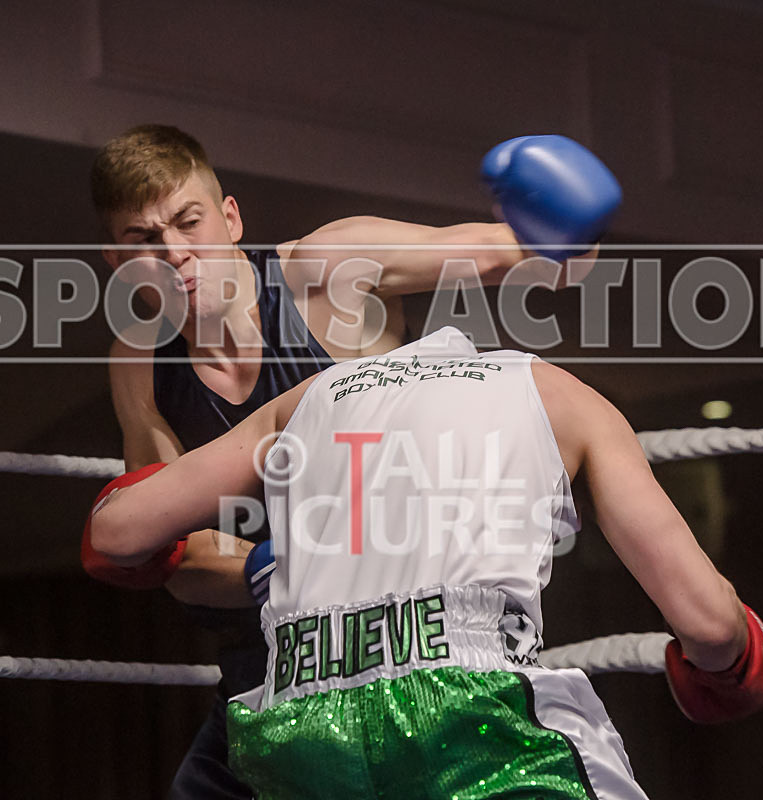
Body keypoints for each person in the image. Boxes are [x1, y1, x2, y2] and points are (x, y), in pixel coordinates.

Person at [82, 125, 621, 796]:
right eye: (145, 242)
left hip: (412, 648)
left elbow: (524, 257)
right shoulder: (139, 361)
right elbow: (175, 558)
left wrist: (567, 230)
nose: (175, 254)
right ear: (116, 261)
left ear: (229, 218)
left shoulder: (326, 270)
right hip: (268, 668)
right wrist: (271, 569)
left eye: (189, 222)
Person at [89, 326, 763, 800]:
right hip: (474, 713)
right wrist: (734, 669)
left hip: (296, 725)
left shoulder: (309, 399)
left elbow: (117, 531)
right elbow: (710, 625)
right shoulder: (563, 396)